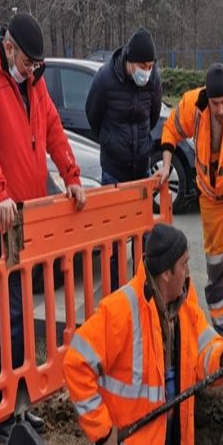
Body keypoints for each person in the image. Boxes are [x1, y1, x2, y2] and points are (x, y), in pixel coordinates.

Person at [63, 224, 223, 445]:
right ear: (165, 274)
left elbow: (204, 345)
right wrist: (102, 431)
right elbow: (76, 363)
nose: (190, 272)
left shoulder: (182, 304)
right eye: (185, 265)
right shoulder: (120, 310)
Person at [0, 12, 87, 442]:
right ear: (9, 47)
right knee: (10, 314)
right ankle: (3, 413)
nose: (31, 69)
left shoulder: (32, 83)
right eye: (26, 61)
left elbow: (52, 129)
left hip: (28, 216)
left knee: (19, 313)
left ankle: (17, 403)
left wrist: (71, 177)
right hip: (3, 219)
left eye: (37, 64)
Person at [159, 63, 223, 350]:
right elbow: (171, 128)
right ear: (208, 97)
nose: (219, 109)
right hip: (209, 196)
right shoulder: (196, 105)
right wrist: (167, 165)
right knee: (214, 263)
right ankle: (220, 332)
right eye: (215, 103)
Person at [85, 27, 163, 289]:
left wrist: (140, 145)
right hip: (114, 171)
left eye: (151, 65)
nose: (147, 70)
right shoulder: (105, 79)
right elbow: (92, 116)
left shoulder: (152, 80)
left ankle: (143, 289)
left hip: (140, 168)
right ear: (130, 61)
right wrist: (110, 142)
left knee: (143, 234)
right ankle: (118, 292)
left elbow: (152, 116)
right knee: (116, 240)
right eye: (143, 65)